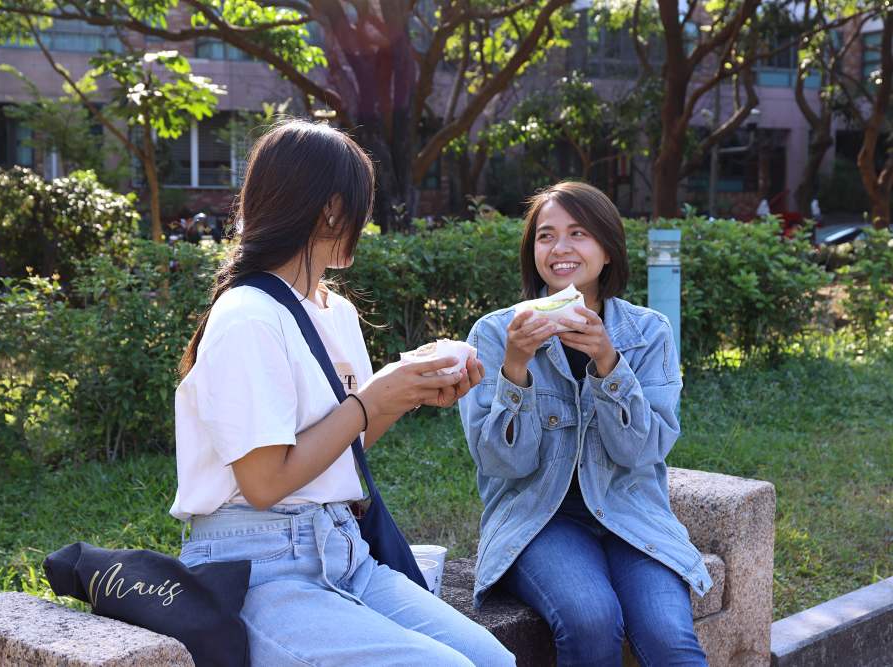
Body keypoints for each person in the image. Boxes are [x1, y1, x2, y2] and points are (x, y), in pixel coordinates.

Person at [171, 119, 515, 667]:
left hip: (345, 551)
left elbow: (337, 452)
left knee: (495, 661)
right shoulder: (246, 318)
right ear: (332, 208)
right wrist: (370, 400)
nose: (365, 221)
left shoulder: (336, 311)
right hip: (257, 569)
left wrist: (405, 393)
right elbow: (263, 482)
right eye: (361, 205)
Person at [459, 181, 712, 667]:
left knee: (669, 639)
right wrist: (516, 366)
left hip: (629, 511)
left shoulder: (647, 333)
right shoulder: (496, 333)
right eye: (546, 235)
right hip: (538, 518)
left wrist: (607, 361)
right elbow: (502, 463)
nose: (560, 249)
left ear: (607, 249)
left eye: (578, 233)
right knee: (591, 619)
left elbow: (643, 453)